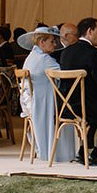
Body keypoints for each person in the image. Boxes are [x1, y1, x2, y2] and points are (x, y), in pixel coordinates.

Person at [56, 17, 97, 164]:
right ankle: (93, 152)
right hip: (87, 107)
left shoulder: (66, 52)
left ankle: (86, 152)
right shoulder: (93, 53)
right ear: (90, 31)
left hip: (65, 105)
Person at [21, 25, 75, 162]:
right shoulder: (45, 60)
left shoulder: (30, 57)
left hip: (31, 102)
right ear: (42, 42)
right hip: (45, 102)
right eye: (52, 41)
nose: (55, 44)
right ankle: (62, 153)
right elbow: (65, 75)